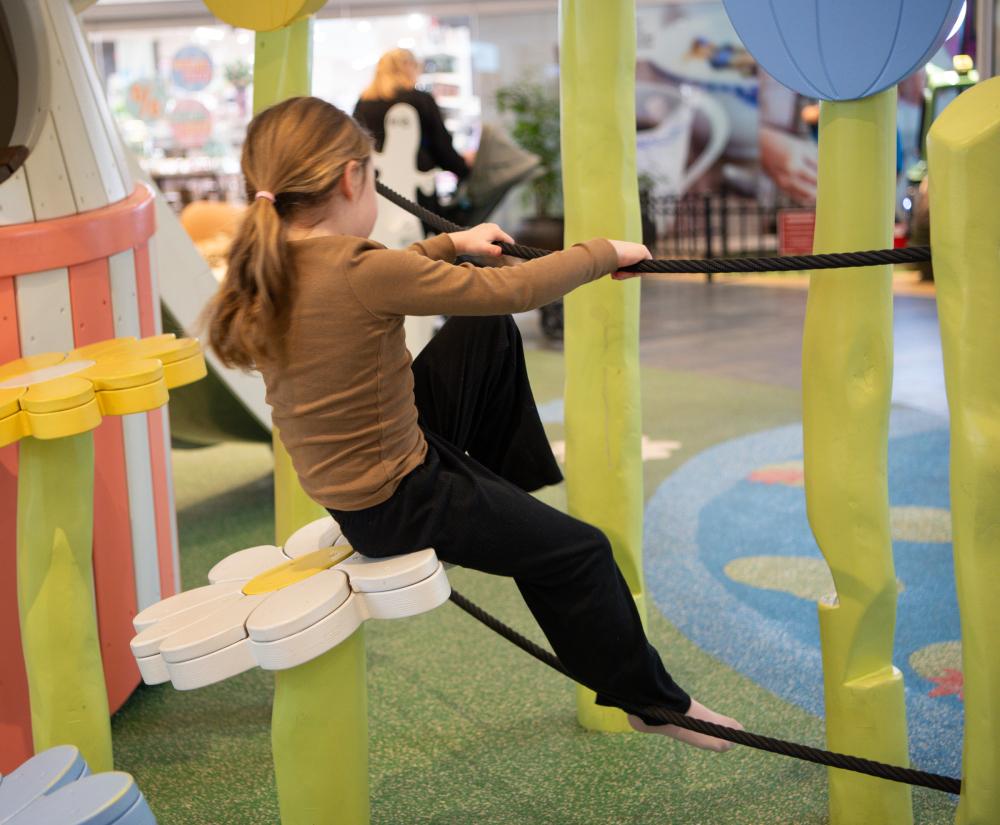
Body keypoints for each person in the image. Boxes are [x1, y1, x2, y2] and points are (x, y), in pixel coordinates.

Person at [205, 96, 742, 752]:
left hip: (365, 478)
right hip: (398, 501)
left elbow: (384, 278)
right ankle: (654, 703)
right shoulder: (360, 271)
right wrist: (603, 251)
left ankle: (496, 499)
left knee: (480, 333)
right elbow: (513, 291)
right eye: (372, 176)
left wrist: (453, 245)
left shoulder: (269, 267)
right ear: (352, 179)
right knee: (579, 553)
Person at [354, 48, 471, 190]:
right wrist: (463, 170)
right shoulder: (420, 101)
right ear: (410, 68)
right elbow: (440, 145)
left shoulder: (364, 102)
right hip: (417, 186)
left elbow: (357, 146)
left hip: (378, 186)